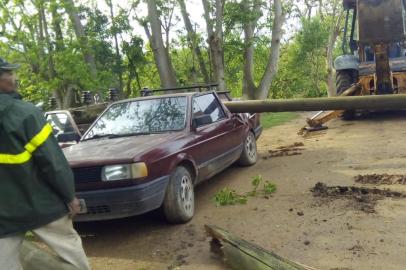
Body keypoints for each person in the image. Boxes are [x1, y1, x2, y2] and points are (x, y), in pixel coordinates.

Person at [0, 58, 90, 270]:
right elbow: (53, 163)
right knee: (74, 259)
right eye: (9, 74)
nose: (14, 78)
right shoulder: (25, 114)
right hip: (43, 205)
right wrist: (70, 197)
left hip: (4, 215)